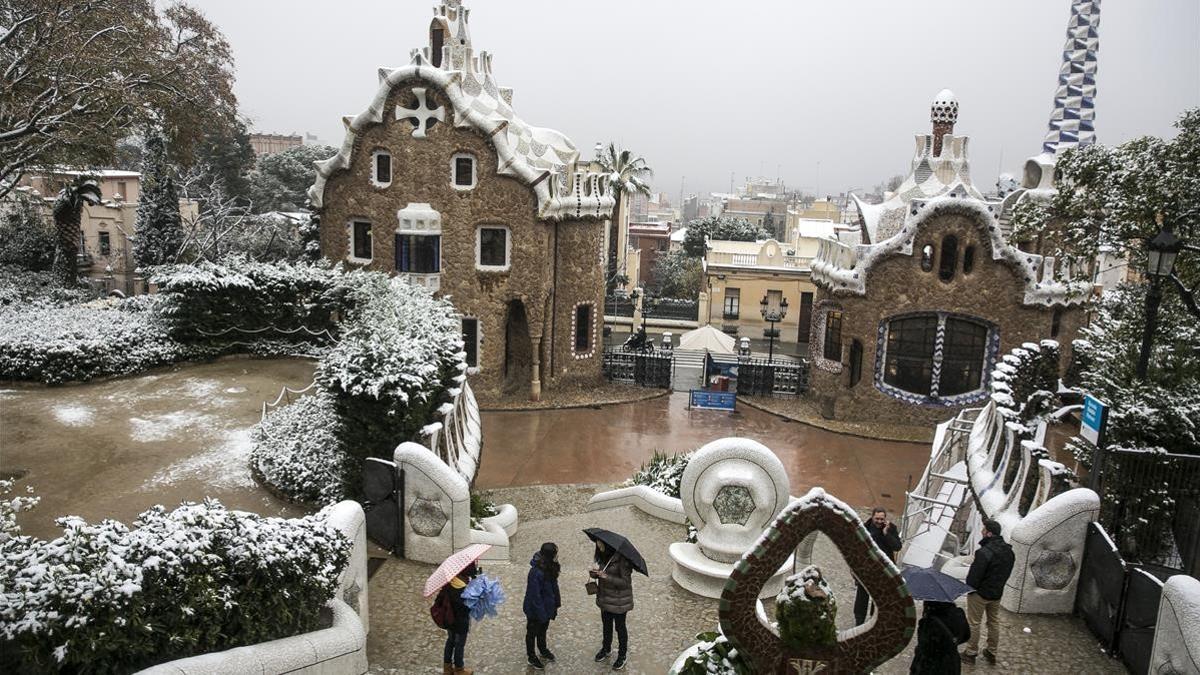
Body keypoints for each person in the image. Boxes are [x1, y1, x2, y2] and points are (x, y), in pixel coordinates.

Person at [961, 519, 1015, 665]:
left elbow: (974, 576)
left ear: (989, 534)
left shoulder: (984, 553)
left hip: (979, 594)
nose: (981, 532)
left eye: (984, 530)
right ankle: (992, 651)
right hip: (996, 593)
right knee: (993, 622)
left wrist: (970, 588)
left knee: (974, 622)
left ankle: (971, 652)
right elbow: (1007, 573)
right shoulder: (1009, 552)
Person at [854, 507, 903, 625]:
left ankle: (873, 620)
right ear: (872, 517)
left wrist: (886, 534)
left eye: (882, 519)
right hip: (866, 569)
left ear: (885, 519)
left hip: (883, 570)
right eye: (877, 518)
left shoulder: (891, 529)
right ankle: (859, 621)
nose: (879, 521)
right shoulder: (864, 529)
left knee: (879, 597)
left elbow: (897, 547)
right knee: (862, 596)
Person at [591, 540, 633, 671]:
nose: (599, 548)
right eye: (598, 546)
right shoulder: (603, 557)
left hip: (619, 602)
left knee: (620, 628)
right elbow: (600, 574)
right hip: (605, 599)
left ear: (608, 545)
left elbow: (625, 582)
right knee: (606, 626)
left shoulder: (622, 560)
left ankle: (622, 655)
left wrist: (606, 576)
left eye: (602, 545)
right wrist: (594, 573)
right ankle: (606, 648)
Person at [523, 542, 561, 670]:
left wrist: (556, 602)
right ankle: (531, 656)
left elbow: (553, 586)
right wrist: (542, 614)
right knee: (532, 632)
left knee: (543, 629)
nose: (557, 556)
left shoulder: (550, 567)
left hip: (547, 606)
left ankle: (542, 649)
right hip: (536, 609)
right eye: (555, 554)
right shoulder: (536, 572)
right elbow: (535, 596)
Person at [910, 600, 970, 674]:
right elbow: (966, 636)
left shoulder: (929, 622)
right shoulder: (959, 613)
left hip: (932, 667)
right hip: (952, 663)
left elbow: (925, 648)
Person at [441, 561, 479, 675]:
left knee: (450, 641)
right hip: (460, 622)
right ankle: (459, 669)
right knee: (459, 644)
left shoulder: (451, 581)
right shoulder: (462, 589)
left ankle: (447, 668)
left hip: (450, 619)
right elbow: (466, 608)